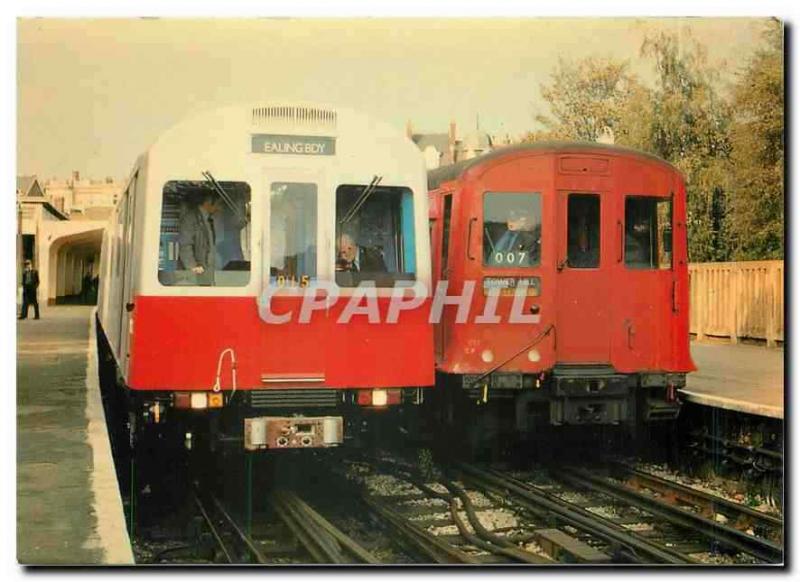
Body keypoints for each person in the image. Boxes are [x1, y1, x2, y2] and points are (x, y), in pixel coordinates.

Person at [178, 192, 221, 285]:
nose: (218, 208)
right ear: (208, 202)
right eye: (217, 204)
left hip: (206, 271)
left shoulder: (209, 219)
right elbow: (185, 245)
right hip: (195, 275)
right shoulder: (190, 219)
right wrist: (193, 268)